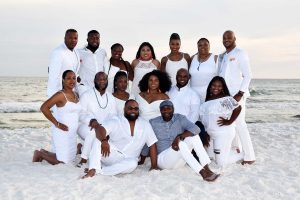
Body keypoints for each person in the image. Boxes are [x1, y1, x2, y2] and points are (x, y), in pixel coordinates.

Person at [82, 99, 158, 178]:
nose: (133, 111)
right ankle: (93, 168)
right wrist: (104, 141)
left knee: (133, 164)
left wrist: (154, 166)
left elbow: (152, 144)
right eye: (130, 108)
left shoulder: (145, 124)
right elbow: (101, 129)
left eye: (136, 109)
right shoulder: (116, 120)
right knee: (98, 140)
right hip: (110, 154)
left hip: (128, 160)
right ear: (124, 109)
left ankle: (99, 170)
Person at [150, 100, 219, 182]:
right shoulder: (153, 122)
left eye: (169, 108)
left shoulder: (180, 118)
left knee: (194, 136)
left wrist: (179, 136)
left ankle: (207, 168)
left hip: (179, 161)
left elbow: (196, 129)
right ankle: (202, 173)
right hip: (163, 160)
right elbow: (148, 141)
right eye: (163, 109)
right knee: (181, 144)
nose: (166, 111)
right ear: (160, 110)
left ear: (173, 109)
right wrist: (146, 160)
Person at [218, 30, 255, 164]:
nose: (226, 40)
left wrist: (240, 93)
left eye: (229, 37)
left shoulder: (240, 53)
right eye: (224, 38)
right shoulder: (223, 56)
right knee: (231, 123)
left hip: (237, 95)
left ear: (234, 39)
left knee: (240, 124)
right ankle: (237, 149)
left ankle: (250, 156)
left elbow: (248, 75)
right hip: (226, 96)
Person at [33, 70, 82, 165]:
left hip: (72, 133)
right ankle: (39, 154)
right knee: (62, 162)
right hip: (62, 132)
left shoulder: (76, 94)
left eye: (74, 78)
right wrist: (57, 123)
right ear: (63, 80)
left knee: (70, 159)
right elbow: (44, 108)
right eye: (68, 78)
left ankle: (45, 152)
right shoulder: (60, 95)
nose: (72, 81)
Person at [199, 76, 244, 169]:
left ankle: (242, 155)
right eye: (214, 85)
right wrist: (206, 132)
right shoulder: (208, 100)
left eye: (219, 86)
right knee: (210, 157)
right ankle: (230, 151)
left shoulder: (224, 99)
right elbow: (206, 119)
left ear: (223, 87)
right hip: (211, 135)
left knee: (220, 163)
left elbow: (238, 108)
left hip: (223, 134)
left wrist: (229, 121)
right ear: (210, 86)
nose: (216, 88)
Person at [77, 72, 117, 165]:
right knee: (93, 133)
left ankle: (83, 149)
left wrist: (106, 128)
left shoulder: (111, 97)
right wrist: (91, 121)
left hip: (103, 128)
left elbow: (114, 116)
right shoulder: (86, 95)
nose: (102, 81)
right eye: (99, 79)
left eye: (104, 79)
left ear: (107, 81)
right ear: (94, 81)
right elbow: (80, 114)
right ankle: (83, 159)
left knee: (99, 137)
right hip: (86, 125)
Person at [47, 29, 80, 98]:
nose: (73, 40)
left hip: (72, 92)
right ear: (65, 38)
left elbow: (75, 72)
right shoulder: (58, 52)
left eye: (75, 38)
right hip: (60, 93)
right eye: (70, 38)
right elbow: (53, 77)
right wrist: (57, 95)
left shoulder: (76, 52)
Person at [77, 30, 108, 96]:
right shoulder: (79, 52)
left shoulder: (103, 52)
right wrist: (77, 77)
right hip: (85, 88)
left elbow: (105, 68)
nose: (95, 40)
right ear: (87, 39)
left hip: (99, 88)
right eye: (92, 38)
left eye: (97, 38)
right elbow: (74, 67)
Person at [189, 38, 217, 103]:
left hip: (209, 96)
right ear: (197, 47)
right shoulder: (193, 58)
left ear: (209, 46)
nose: (203, 47)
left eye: (205, 45)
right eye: (200, 45)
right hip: (193, 96)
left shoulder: (215, 58)